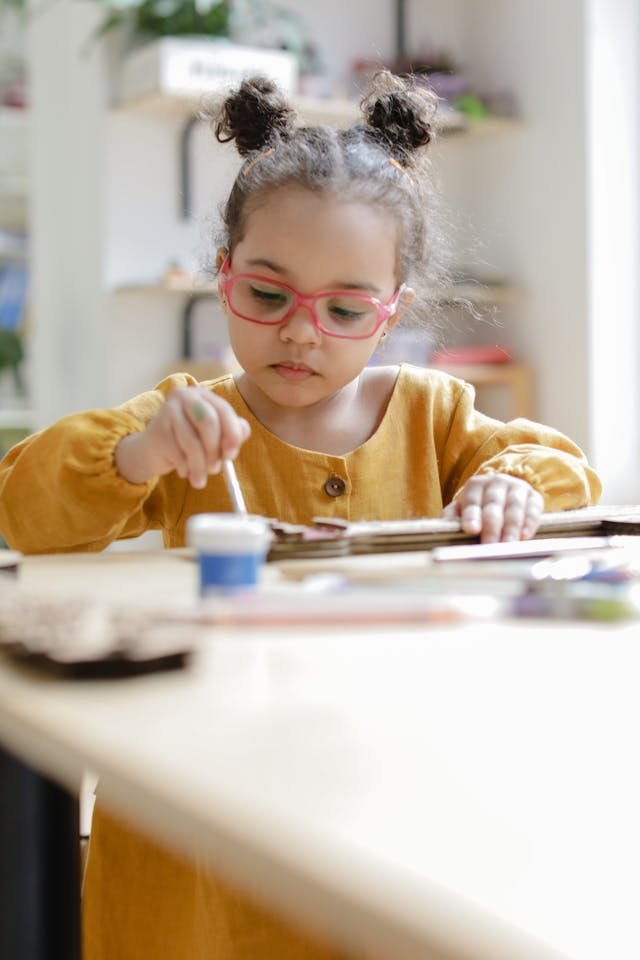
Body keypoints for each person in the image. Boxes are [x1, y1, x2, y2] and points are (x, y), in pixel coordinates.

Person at [0, 72, 600, 959]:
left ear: (391, 310)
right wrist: (138, 455)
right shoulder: (186, 417)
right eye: (268, 296)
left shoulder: (434, 413)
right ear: (223, 277)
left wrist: (510, 482)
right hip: (203, 798)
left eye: (346, 309)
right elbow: (22, 508)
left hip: (387, 784)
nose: (301, 334)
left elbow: (565, 472)